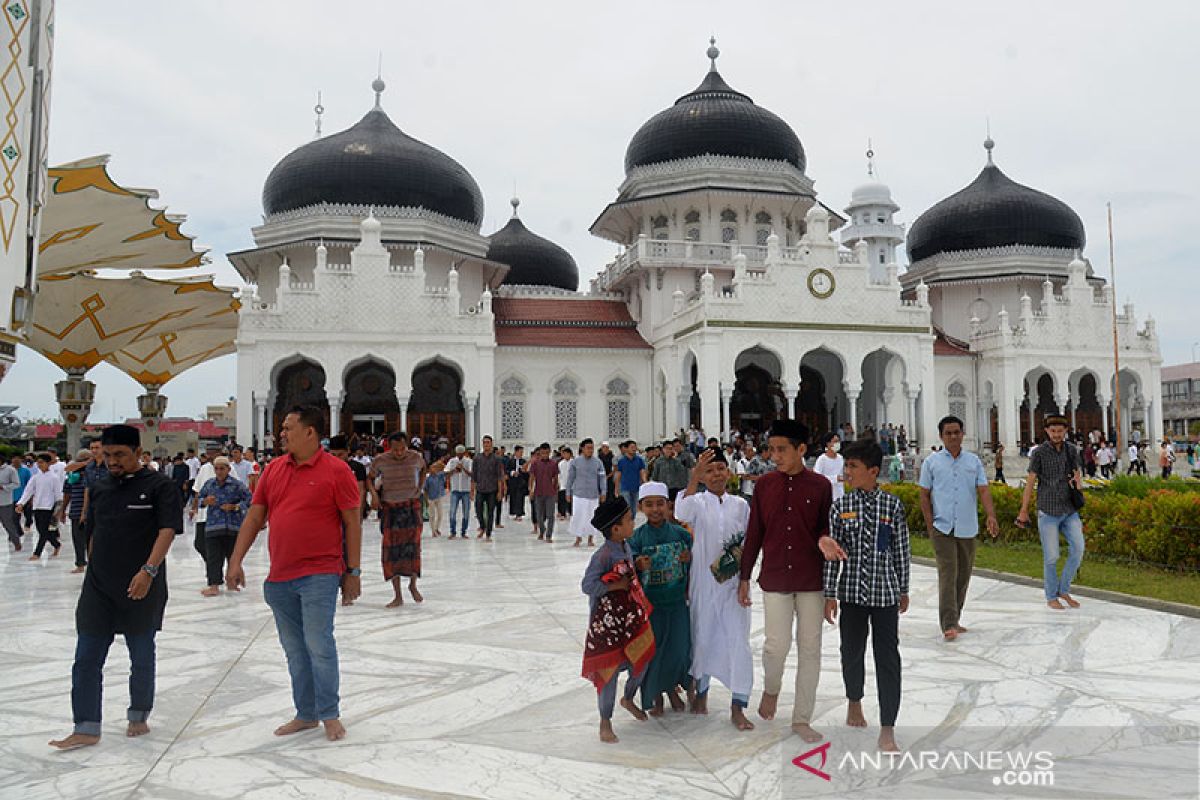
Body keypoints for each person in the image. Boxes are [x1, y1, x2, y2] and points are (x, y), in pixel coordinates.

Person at [225, 405, 362, 742]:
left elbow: (351, 522)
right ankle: (306, 714)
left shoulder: (336, 470)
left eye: (288, 428)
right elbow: (256, 517)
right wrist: (235, 560)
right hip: (280, 577)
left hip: (320, 572)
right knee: (295, 649)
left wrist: (353, 571)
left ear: (310, 432)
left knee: (319, 644)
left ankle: (329, 713)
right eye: (281, 428)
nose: (281, 433)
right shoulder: (273, 470)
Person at [47, 424, 182, 750]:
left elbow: (167, 530)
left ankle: (138, 713)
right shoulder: (101, 487)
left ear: (137, 452)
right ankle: (86, 726)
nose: (112, 461)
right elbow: (93, 533)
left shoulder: (159, 487)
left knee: (141, 654)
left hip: (141, 584)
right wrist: (92, 570)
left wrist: (148, 571)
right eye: (107, 455)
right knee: (87, 657)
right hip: (99, 587)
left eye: (119, 454)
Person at [738, 419, 845, 743]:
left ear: (801, 450)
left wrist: (825, 540)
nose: (775, 456)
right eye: (772, 449)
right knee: (775, 646)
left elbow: (826, 530)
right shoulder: (766, 485)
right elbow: (754, 531)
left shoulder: (820, 486)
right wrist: (744, 576)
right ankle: (772, 688)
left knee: (810, 648)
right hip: (775, 577)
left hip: (811, 579)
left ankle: (801, 718)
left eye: (781, 449)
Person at [822, 439, 910, 753]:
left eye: (853, 467)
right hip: (852, 596)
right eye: (846, 466)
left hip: (884, 594)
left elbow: (901, 549)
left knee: (888, 659)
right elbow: (833, 553)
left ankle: (888, 726)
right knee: (852, 652)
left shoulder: (892, 506)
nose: (847, 472)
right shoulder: (841, 507)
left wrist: (903, 589)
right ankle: (854, 701)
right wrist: (830, 593)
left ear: (873, 471)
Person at [675, 448, 755, 731]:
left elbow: (751, 542)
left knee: (738, 641)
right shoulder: (697, 502)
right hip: (704, 585)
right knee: (703, 636)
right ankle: (702, 694)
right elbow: (680, 512)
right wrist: (694, 477)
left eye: (720, 468)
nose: (716, 474)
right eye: (710, 470)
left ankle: (738, 704)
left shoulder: (741, 505)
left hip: (733, 586)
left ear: (729, 472)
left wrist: (744, 577)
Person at [918, 416, 999, 641]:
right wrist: (929, 523)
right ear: (942, 437)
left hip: (967, 526)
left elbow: (983, 490)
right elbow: (924, 494)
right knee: (948, 574)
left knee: (963, 575)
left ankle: (956, 616)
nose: (953, 436)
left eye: (956, 432)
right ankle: (949, 623)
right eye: (948, 433)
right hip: (942, 527)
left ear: (963, 434)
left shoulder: (973, 462)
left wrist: (990, 515)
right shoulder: (931, 462)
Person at [581, 496, 654, 744]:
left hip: (630, 618)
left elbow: (629, 575)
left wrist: (639, 568)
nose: (633, 523)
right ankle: (605, 721)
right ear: (615, 529)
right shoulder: (602, 556)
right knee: (609, 671)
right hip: (608, 624)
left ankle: (629, 698)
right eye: (629, 520)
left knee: (641, 660)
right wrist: (613, 586)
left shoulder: (626, 547)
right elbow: (588, 585)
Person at [629, 481, 692, 716]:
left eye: (660, 504)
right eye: (649, 505)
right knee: (653, 653)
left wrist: (689, 558)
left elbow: (695, 561)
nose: (655, 509)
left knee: (678, 649)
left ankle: (672, 689)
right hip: (651, 607)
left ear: (668, 505)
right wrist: (637, 563)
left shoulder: (681, 534)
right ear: (641, 507)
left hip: (676, 602)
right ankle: (655, 695)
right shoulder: (636, 539)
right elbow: (627, 567)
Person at [1017, 415, 1085, 610]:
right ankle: (1051, 595)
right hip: (1048, 511)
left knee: (1078, 549)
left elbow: (1077, 473)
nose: (1056, 434)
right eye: (1053, 431)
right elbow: (1030, 482)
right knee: (1052, 556)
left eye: (1060, 431)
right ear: (1047, 431)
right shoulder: (1039, 453)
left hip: (1069, 509)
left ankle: (1064, 589)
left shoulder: (1071, 450)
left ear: (1065, 431)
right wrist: (1024, 510)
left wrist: (1078, 491)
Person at [369, 432, 428, 607]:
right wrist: (374, 495)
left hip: (411, 506)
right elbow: (369, 479)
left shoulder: (415, 457)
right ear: (389, 447)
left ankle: (413, 585)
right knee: (391, 552)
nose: (399, 453)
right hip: (390, 508)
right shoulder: (381, 460)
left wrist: (420, 487)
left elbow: (424, 468)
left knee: (413, 549)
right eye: (395, 450)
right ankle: (397, 595)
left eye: (402, 449)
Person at [195, 456, 251, 597]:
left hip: (232, 527)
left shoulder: (236, 485)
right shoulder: (209, 484)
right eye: (217, 469)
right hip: (213, 527)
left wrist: (236, 507)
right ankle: (214, 585)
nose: (219, 472)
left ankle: (232, 582)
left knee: (232, 556)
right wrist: (205, 501)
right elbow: (198, 500)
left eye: (222, 468)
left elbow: (250, 499)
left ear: (228, 469)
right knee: (213, 557)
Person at [16, 453, 63, 561]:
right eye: (38, 462)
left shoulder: (54, 478)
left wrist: (58, 511)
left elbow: (58, 495)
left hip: (49, 508)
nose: (39, 464)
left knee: (43, 532)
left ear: (48, 463)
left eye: (42, 462)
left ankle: (37, 553)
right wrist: (21, 503)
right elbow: (28, 491)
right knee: (43, 531)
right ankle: (56, 545)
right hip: (37, 508)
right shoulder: (35, 477)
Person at [567, 438, 607, 547]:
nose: (590, 450)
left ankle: (591, 538)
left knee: (592, 516)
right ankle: (578, 538)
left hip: (593, 495)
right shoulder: (575, 462)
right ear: (582, 448)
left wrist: (603, 492)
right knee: (578, 516)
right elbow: (570, 478)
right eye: (588, 448)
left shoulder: (598, 462)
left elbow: (602, 478)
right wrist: (568, 492)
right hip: (579, 494)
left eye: (592, 448)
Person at [470, 435, 506, 540]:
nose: (486, 444)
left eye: (488, 442)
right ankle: (482, 526)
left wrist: (500, 491)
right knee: (478, 510)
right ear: (482, 444)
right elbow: (474, 476)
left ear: (491, 444)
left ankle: (488, 534)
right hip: (480, 488)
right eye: (484, 442)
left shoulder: (497, 459)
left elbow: (499, 476)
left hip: (492, 489)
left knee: (491, 512)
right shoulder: (477, 458)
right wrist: (472, 490)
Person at [62, 450, 91, 573]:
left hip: (92, 512)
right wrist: (62, 510)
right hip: (75, 512)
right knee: (78, 540)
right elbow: (67, 494)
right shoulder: (72, 475)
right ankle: (80, 563)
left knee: (92, 540)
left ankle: (92, 565)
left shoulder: (93, 474)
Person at [528, 443, 559, 542]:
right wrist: (531, 490)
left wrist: (556, 491)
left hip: (550, 493)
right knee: (539, 515)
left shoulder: (553, 464)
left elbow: (556, 478)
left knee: (550, 515)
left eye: (547, 453)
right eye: (543, 453)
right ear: (540, 452)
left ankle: (549, 535)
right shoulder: (535, 464)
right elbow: (532, 478)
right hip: (538, 492)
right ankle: (542, 530)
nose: (545, 455)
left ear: (549, 452)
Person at [444, 445, 472, 539]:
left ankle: (464, 532)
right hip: (455, 490)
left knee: (466, 512)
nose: (459, 456)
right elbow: (446, 473)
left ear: (464, 453)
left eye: (461, 454)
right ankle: (453, 531)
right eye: (458, 454)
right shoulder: (452, 461)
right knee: (452, 511)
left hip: (465, 490)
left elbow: (472, 474)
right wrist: (454, 470)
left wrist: (463, 468)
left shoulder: (468, 461)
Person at [613, 440, 647, 515]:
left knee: (635, 508)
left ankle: (633, 523)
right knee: (627, 508)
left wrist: (645, 483)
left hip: (636, 487)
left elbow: (642, 472)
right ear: (626, 448)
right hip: (625, 488)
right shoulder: (621, 461)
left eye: (635, 447)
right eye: (632, 447)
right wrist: (616, 488)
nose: (634, 449)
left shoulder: (639, 460)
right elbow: (618, 475)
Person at [813, 433, 845, 502]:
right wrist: (835, 478)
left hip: (840, 496)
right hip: (826, 497)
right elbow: (817, 478)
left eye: (839, 441)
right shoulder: (822, 459)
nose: (838, 444)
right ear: (828, 443)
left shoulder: (841, 458)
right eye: (835, 441)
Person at [1, 453, 24, 550]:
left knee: (8, 524)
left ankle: (16, 542)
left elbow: (17, 484)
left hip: (5, 502)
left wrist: (4, 487)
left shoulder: (10, 470)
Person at [423, 458, 448, 537]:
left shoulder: (439, 475)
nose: (434, 469)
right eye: (432, 467)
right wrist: (426, 500)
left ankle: (437, 528)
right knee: (432, 515)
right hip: (431, 498)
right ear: (429, 469)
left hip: (438, 497)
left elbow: (446, 470)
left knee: (440, 514)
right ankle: (433, 531)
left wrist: (440, 464)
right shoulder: (427, 478)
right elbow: (425, 490)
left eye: (435, 467)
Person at [507, 445, 529, 522]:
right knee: (513, 497)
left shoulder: (524, 461)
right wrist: (512, 473)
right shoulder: (510, 461)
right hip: (513, 482)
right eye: (520, 452)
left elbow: (527, 473)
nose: (521, 453)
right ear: (516, 452)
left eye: (522, 452)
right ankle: (514, 512)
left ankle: (519, 514)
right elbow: (507, 470)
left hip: (521, 482)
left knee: (520, 498)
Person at [556, 447, 573, 520]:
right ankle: (562, 514)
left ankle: (571, 513)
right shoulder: (560, 463)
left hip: (572, 485)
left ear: (570, 454)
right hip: (563, 484)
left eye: (567, 453)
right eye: (564, 454)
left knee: (571, 500)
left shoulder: (574, 462)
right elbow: (558, 474)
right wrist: (558, 483)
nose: (565, 455)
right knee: (562, 499)